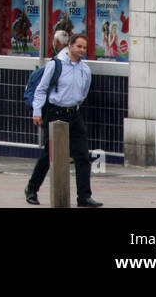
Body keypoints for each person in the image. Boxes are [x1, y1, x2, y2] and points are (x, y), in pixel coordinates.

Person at [25, 32, 102, 207]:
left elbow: (84, 93)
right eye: (78, 46)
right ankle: (32, 189)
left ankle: (84, 196)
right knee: (48, 155)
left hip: (74, 113)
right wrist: (37, 111)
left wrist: (74, 105)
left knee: (82, 155)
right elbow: (42, 89)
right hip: (55, 113)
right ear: (70, 46)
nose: (81, 50)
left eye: (84, 47)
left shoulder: (85, 70)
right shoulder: (56, 65)